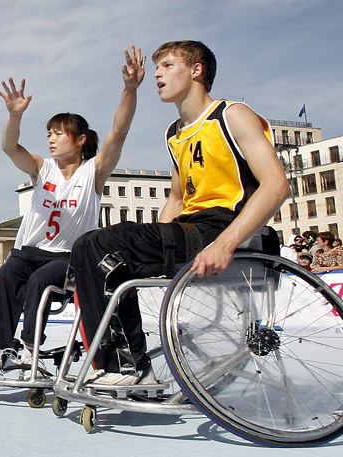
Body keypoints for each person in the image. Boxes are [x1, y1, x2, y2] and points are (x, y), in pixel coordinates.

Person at [69, 40, 290, 386]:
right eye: (157, 67)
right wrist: (148, 244)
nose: (157, 73)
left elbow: (276, 186)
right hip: (191, 228)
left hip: (230, 227)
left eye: (168, 65)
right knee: (92, 247)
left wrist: (226, 243)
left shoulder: (232, 115)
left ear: (196, 70)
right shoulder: (175, 134)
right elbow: (175, 199)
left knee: (101, 243)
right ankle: (121, 363)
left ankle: (129, 368)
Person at [0, 45, 146, 380]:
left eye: (58, 134)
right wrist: (15, 116)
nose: (51, 140)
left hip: (66, 257)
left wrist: (129, 90)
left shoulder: (94, 172)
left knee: (41, 281)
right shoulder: (42, 169)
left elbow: (119, 132)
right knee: (6, 276)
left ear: (81, 139)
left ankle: (31, 350)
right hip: (28, 251)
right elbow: (9, 147)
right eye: (49, 135)